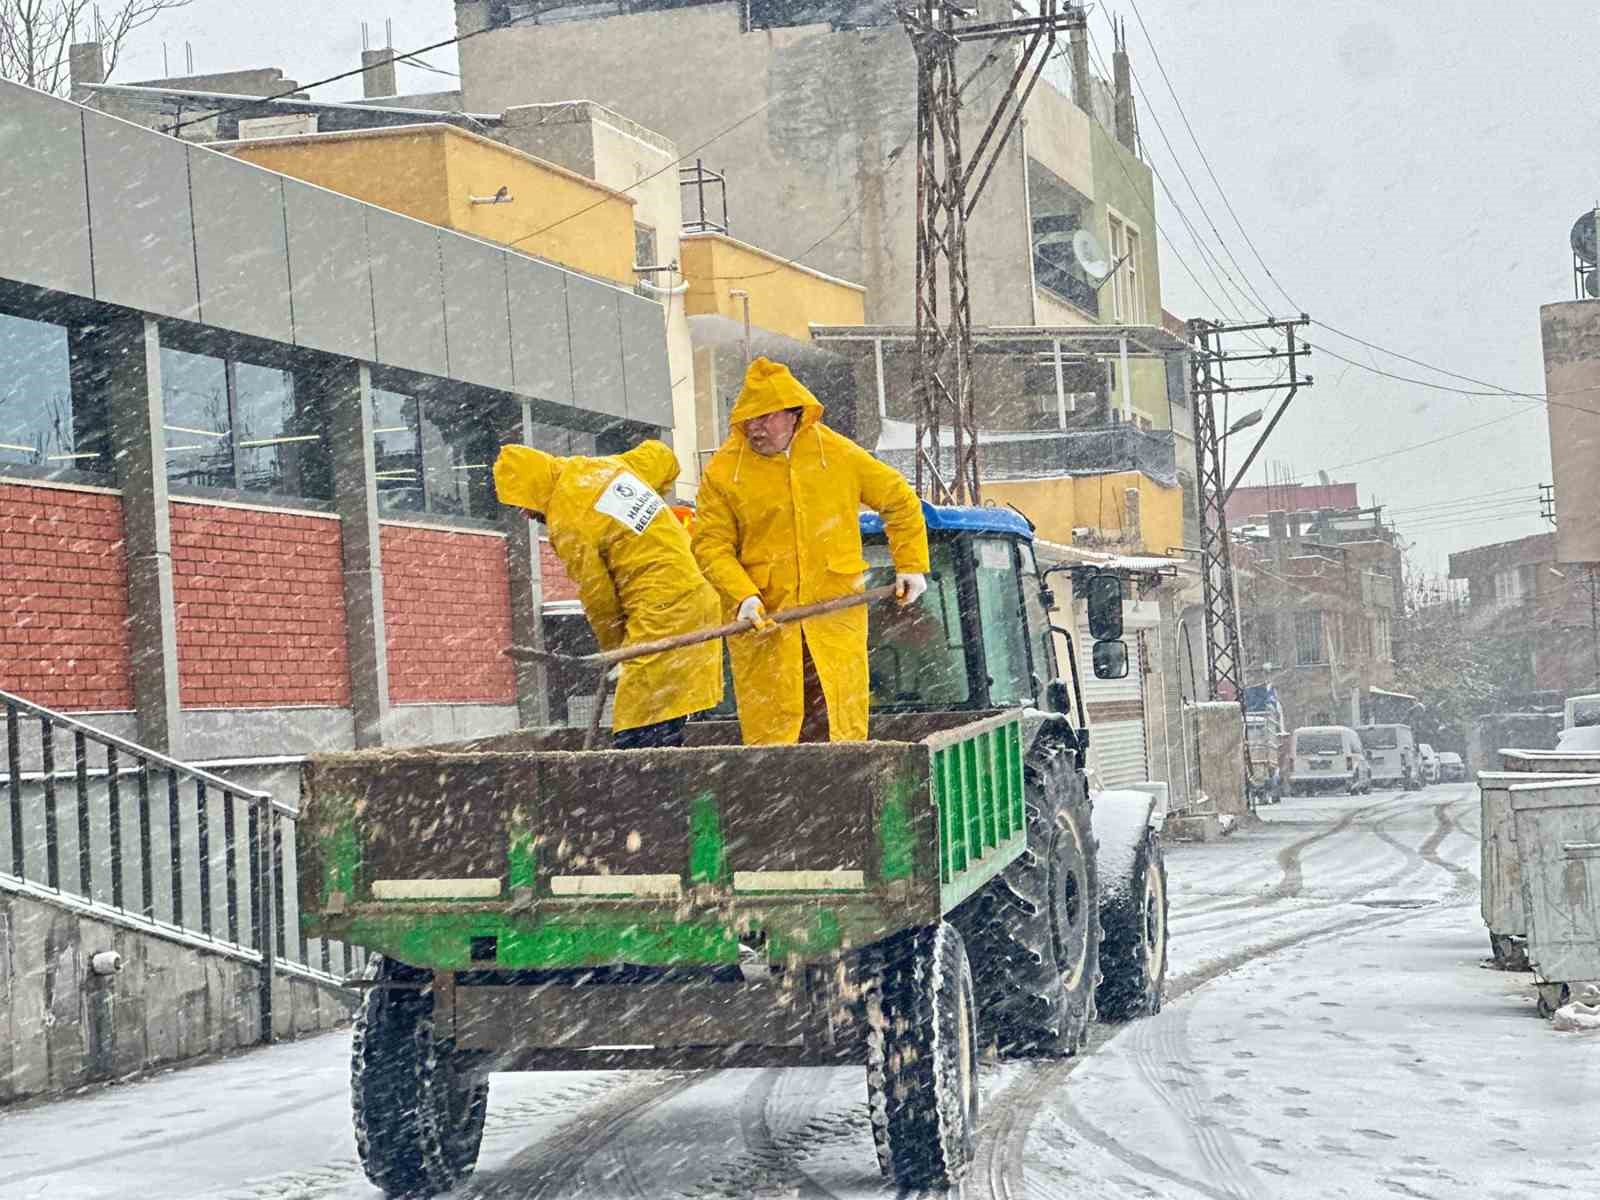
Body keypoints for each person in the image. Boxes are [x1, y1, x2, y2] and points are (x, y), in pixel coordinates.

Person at [693, 357, 929, 744]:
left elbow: (900, 501)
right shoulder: (724, 473)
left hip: (833, 618)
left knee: (837, 724)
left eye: (765, 417)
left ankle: (840, 794)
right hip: (767, 623)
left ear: (793, 414)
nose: (755, 428)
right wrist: (743, 596)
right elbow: (709, 545)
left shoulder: (837, 455)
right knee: (777, 734)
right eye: (748, 419)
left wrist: (911, 564)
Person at [493, 439, 722, 749]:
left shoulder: (568, 519)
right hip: (698, 596)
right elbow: (663, 456)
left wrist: (614, 648)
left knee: (638, 723)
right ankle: (667, 780)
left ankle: (649, 789)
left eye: (521, 502)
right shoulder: (605, 468)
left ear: (533, 486)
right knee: (666, 709)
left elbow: (599, 597)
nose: (524, 513)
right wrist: (651, 500)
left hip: (661, 611)